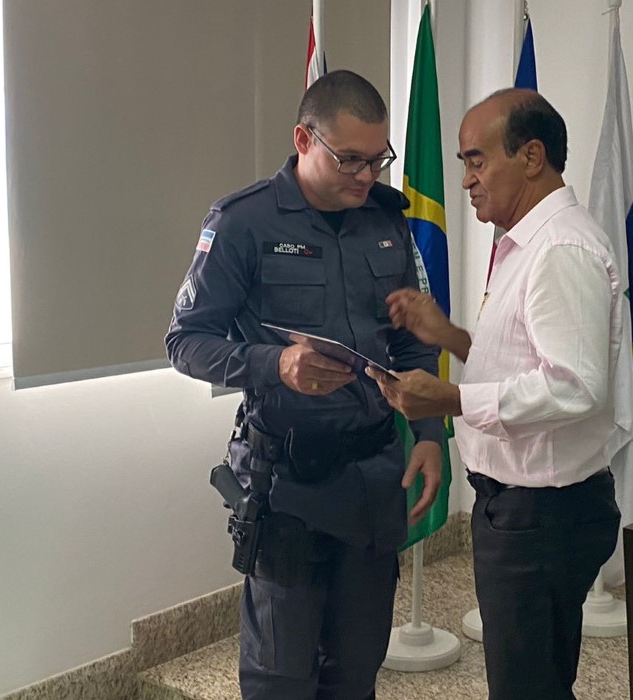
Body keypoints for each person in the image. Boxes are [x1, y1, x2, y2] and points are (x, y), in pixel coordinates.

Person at [165, 70, 444, 700]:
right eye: (349, 160)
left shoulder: (387, 221)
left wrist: (429, 432)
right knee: (281, 678)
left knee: (357, 669)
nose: (366, 176)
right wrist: (274, 364)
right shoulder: (244, 222)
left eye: (377, 159)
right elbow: (185, 341)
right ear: (303, 140)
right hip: (287, 487)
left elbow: (412, 343)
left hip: (373, 479)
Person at [366, 89, 625, 700]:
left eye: (476, 161)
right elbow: (526, 358)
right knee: (535, 681)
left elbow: (574, 386)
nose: (466, 181)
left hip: (541, 518)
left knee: (526, 687)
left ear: (531, 156)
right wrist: (452, 337)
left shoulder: (559, 249)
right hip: (526, 512)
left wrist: (451, 401)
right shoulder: (528, 242)